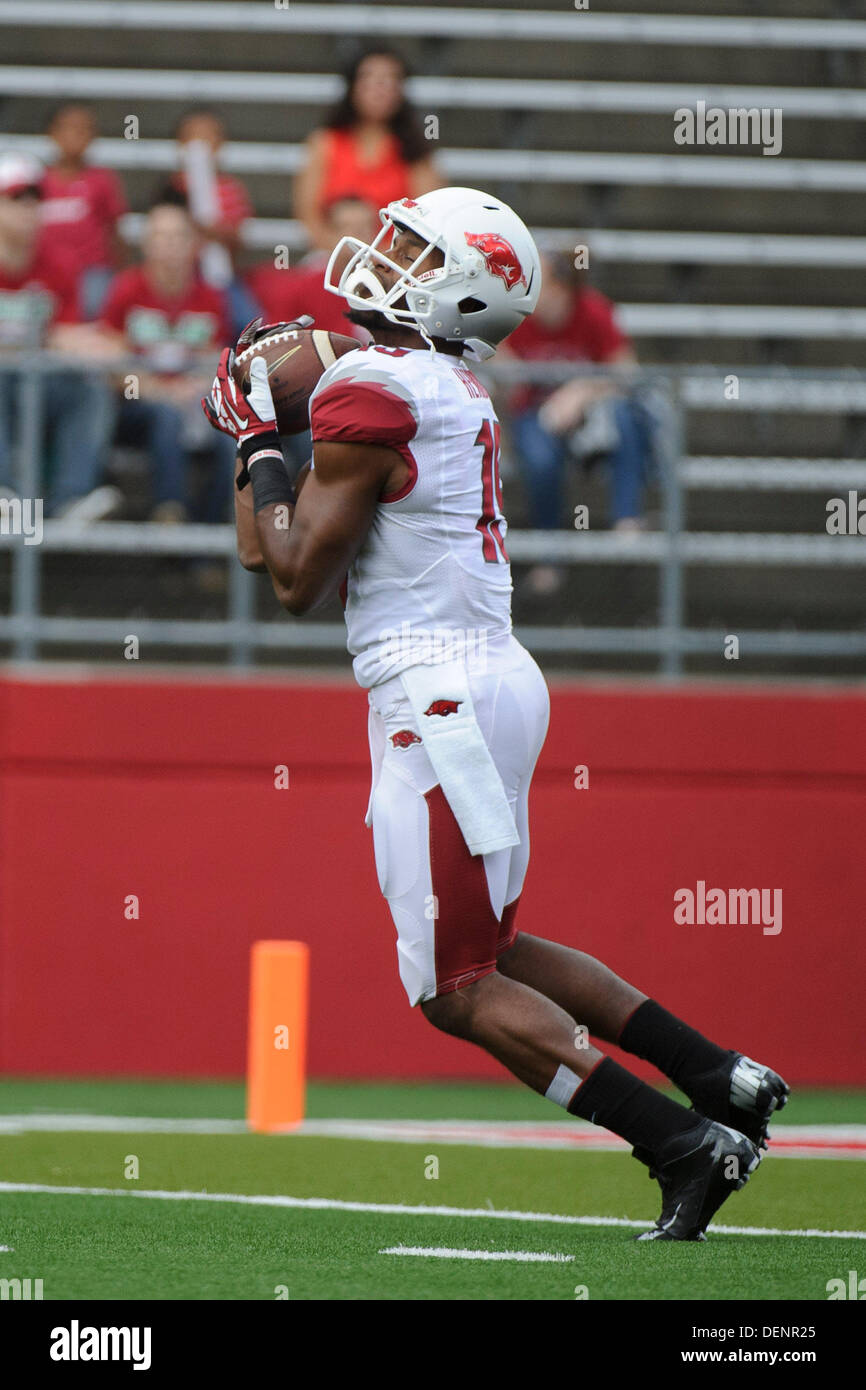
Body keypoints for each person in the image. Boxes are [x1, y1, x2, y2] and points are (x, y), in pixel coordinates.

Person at [203, 187, 789, 1242]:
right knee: (495, 945)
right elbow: (281, 528)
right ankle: (720, 1078)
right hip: (485, 679)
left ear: (456, 290)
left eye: (407, 249)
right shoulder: (439, 383)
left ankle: (680, 1143)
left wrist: (254, 440)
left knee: (452, 985)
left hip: (435, 693)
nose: (378, 255)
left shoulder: (378, 389)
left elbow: (286, 576)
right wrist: (271, 431)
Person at [505, 252, 655, 597]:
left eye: (538, 281)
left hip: (591, 417)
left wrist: (582, 390)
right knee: (540, 461)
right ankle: (549, 555)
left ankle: (626, 520)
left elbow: (627, 374)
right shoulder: (515, 314)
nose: (526, 289)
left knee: (625, 417)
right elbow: (502, 374)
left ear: (562, 287)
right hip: (535, 413)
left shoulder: (593, 310)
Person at [98, 196, 234, 523]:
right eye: (161, 236)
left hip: (191, 401)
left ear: (194, 245)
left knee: (232, 433)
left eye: (178, 236)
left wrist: (189, 390)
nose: (170, 245)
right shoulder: (126, 288)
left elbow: (215, 362)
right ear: (146, 244)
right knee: (165, 416)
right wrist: (159, 391)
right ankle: (169, 512)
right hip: (135, 404)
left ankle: (210, 533)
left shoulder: (211, 296)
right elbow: (109, 361)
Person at [0, 152, 116, 519]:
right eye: (16, 198)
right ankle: (5, 496)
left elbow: (71, 338)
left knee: (89, 390)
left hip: (39, 377)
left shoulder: (61, 262)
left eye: (35, 199)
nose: (28, 209)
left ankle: (70, 500)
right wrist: (44, 339)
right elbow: (59, 335)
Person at [294, 47, 440, 253]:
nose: (380, 89)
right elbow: (308, 215)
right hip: (333, 258)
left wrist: (385, 257)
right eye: (370, 79)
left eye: (390, 80)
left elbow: (429, 219)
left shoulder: (415, 151)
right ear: (353, 86)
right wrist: (343, 251)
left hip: (397, 263)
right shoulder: (324, 143)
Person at [165, 107, 258, 334]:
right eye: (193, 137)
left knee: (246, 321)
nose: (202, 144)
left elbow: (238, 240)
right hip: (180, 277)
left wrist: (212, 230)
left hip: (221, 278)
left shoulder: (231, 188)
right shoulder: (172, 188)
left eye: (209, 136)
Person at [40, 101, 128, 320]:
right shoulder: (38, 180)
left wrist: (121, 275)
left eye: (83, 129)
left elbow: (115, 233)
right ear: (52, 133)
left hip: (92, 271)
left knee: (94, 308)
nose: (75, 135)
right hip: (46, 271)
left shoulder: (102, 180)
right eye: (68, 127)